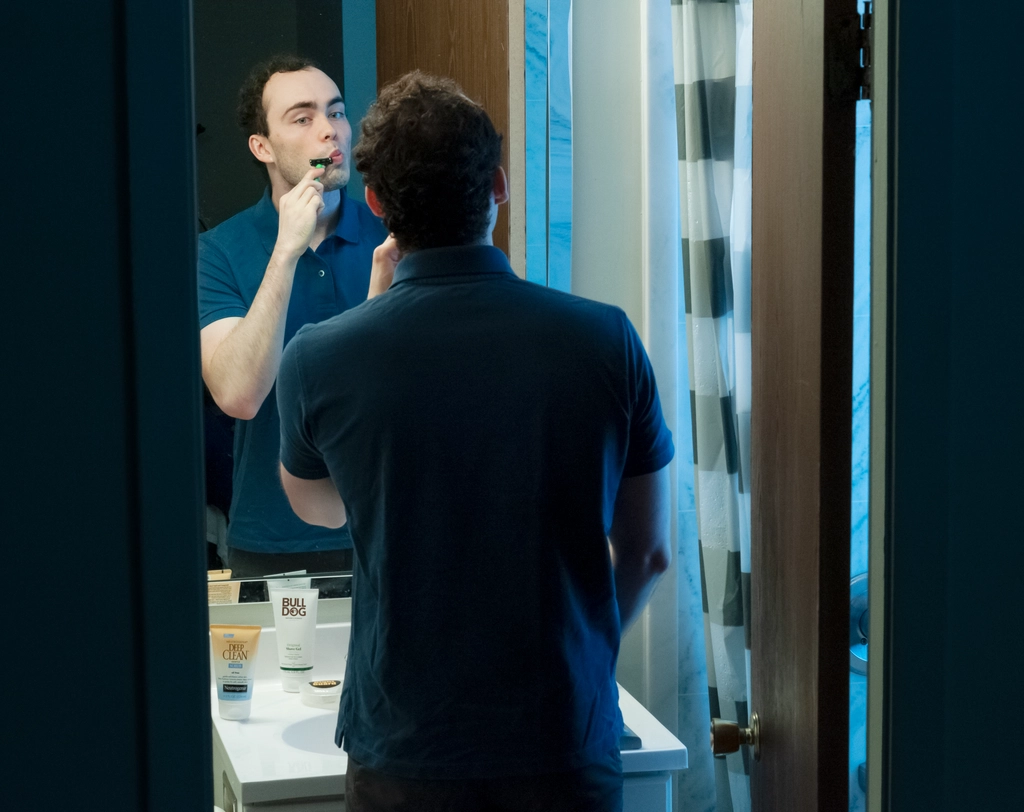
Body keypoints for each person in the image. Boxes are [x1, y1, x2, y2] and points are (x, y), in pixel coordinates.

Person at [277, 71, 673, 812]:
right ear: (497, 185)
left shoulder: (319, 357)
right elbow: (648, 551)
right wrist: (583, 652)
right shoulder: (604, 340)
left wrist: (370, 313)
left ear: (376, 203)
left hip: (406, 752)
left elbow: (322, 508)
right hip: (561, 738)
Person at [198, 55, 388, 579]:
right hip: (272, 541)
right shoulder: (218, 250)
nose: (330, 131)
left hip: (392, 530)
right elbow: (238, 394)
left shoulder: (395, 235)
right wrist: (285, 252)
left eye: (337, 112)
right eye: (302, 118)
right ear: (262, 146)